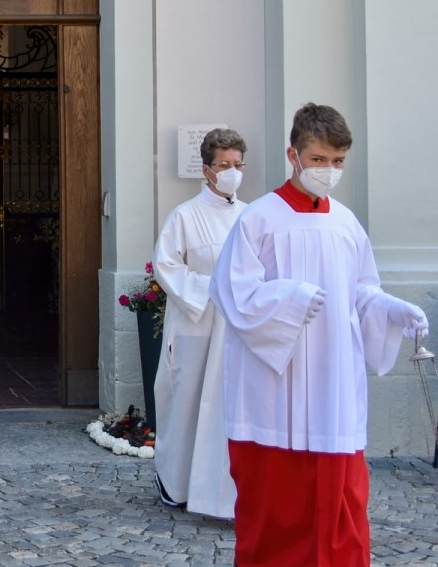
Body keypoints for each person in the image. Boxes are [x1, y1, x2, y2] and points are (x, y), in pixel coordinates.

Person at [210, 103, 428, 566]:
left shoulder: (345, 222)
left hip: (332, 384)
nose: (328, 171)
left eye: (337, 161)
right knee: (277, 503)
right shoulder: (260, 219)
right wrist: (290, 299)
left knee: (340, 499)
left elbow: (361, 291)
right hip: (274, 385)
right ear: (294, 154)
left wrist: (393, 309)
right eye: (318, 159)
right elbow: (233, 293)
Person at [151, 127, 246, 518]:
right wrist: (214, 289)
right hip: (195, 325)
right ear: (206, 169)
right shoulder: (185, 216)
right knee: (186, 404)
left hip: (234, 330)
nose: (231, 172)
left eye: (237, 165)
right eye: (223, 165)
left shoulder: (249, 215)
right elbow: (167, 266)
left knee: (223, 409)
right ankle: (175, 483)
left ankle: (218, 490)